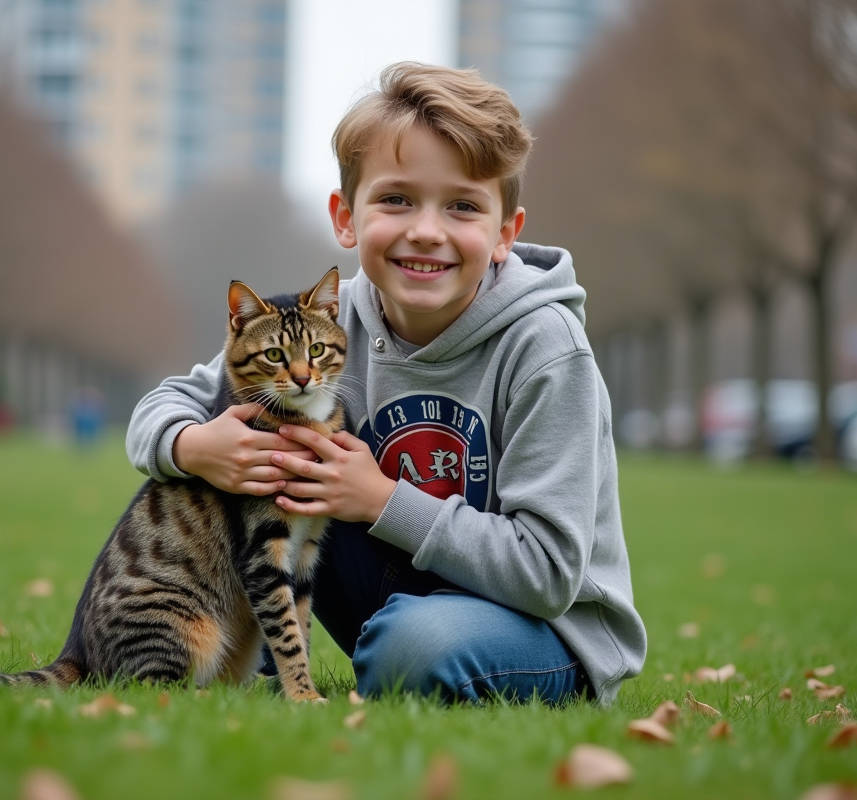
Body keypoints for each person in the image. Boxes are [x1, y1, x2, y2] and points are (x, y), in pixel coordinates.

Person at [127, 62, 645, 705]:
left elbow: (548, 575)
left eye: (462, 206)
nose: (426, 230)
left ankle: (394, 648)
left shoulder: (545, 349)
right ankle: (259, 652)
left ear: (505, 233)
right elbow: (167, 404)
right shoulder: (326, 323)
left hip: (543, 630)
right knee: (273, 454)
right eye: (396, 199)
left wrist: (379, 498)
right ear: (346, 218)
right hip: (403, 600)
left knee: (412, 650)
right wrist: (194, 447)